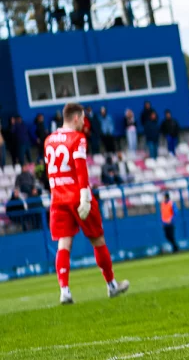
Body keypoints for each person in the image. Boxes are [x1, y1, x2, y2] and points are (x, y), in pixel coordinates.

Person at [44, 101, 131, 304]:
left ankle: (64, 291)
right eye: (83, 118)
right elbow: (81, 168)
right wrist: (84, 196)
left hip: (58, 198)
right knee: (98, 240)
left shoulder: (49, 140)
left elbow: (49, 172)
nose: (84, 123)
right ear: (76, 118)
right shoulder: (77, 138)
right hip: (77, 196)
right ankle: (111, 285)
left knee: (63, 244)